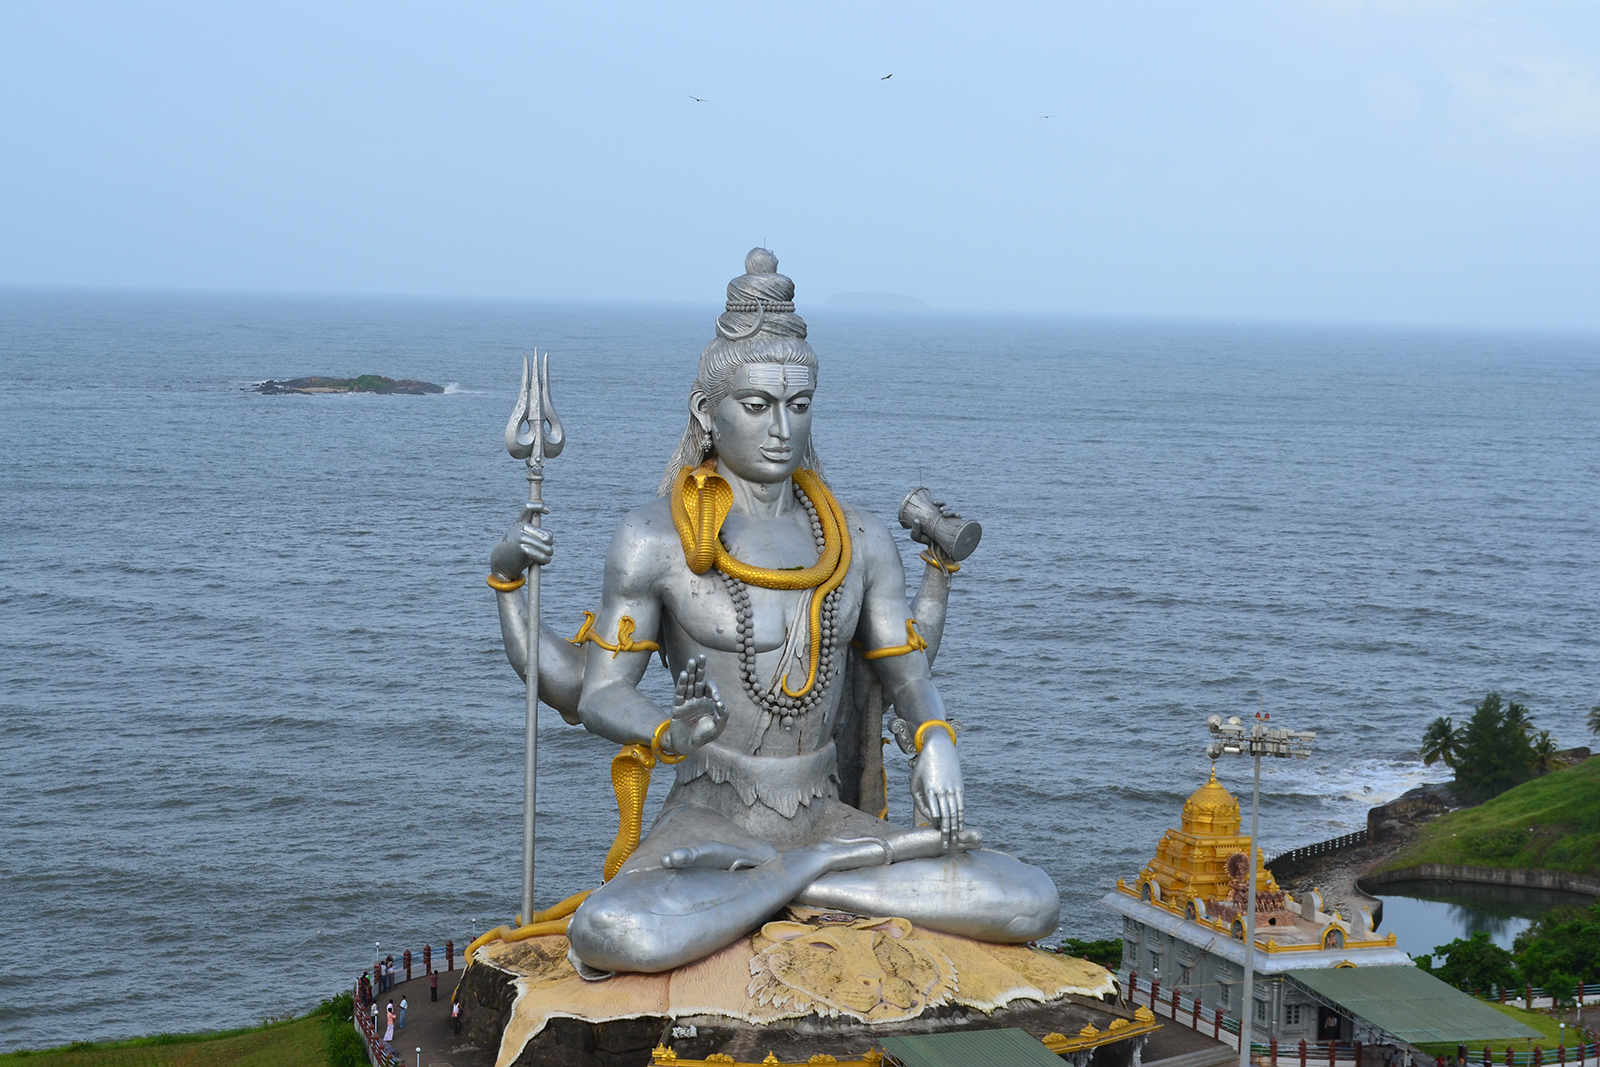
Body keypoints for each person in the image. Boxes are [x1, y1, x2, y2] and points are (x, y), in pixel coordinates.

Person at [488, 249, 1058, 978]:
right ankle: (813, 879)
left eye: (799, 405)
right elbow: (599, 691)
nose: (781, 428)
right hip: (710, 814)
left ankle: (795, 879)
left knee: (1028, 899)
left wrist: (937, 738)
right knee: (614, 928)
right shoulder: (655, 538)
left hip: (823, 811)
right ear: (708, 411)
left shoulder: (857, 539)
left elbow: (908, 674)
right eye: (756, 406)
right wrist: (666, 730)